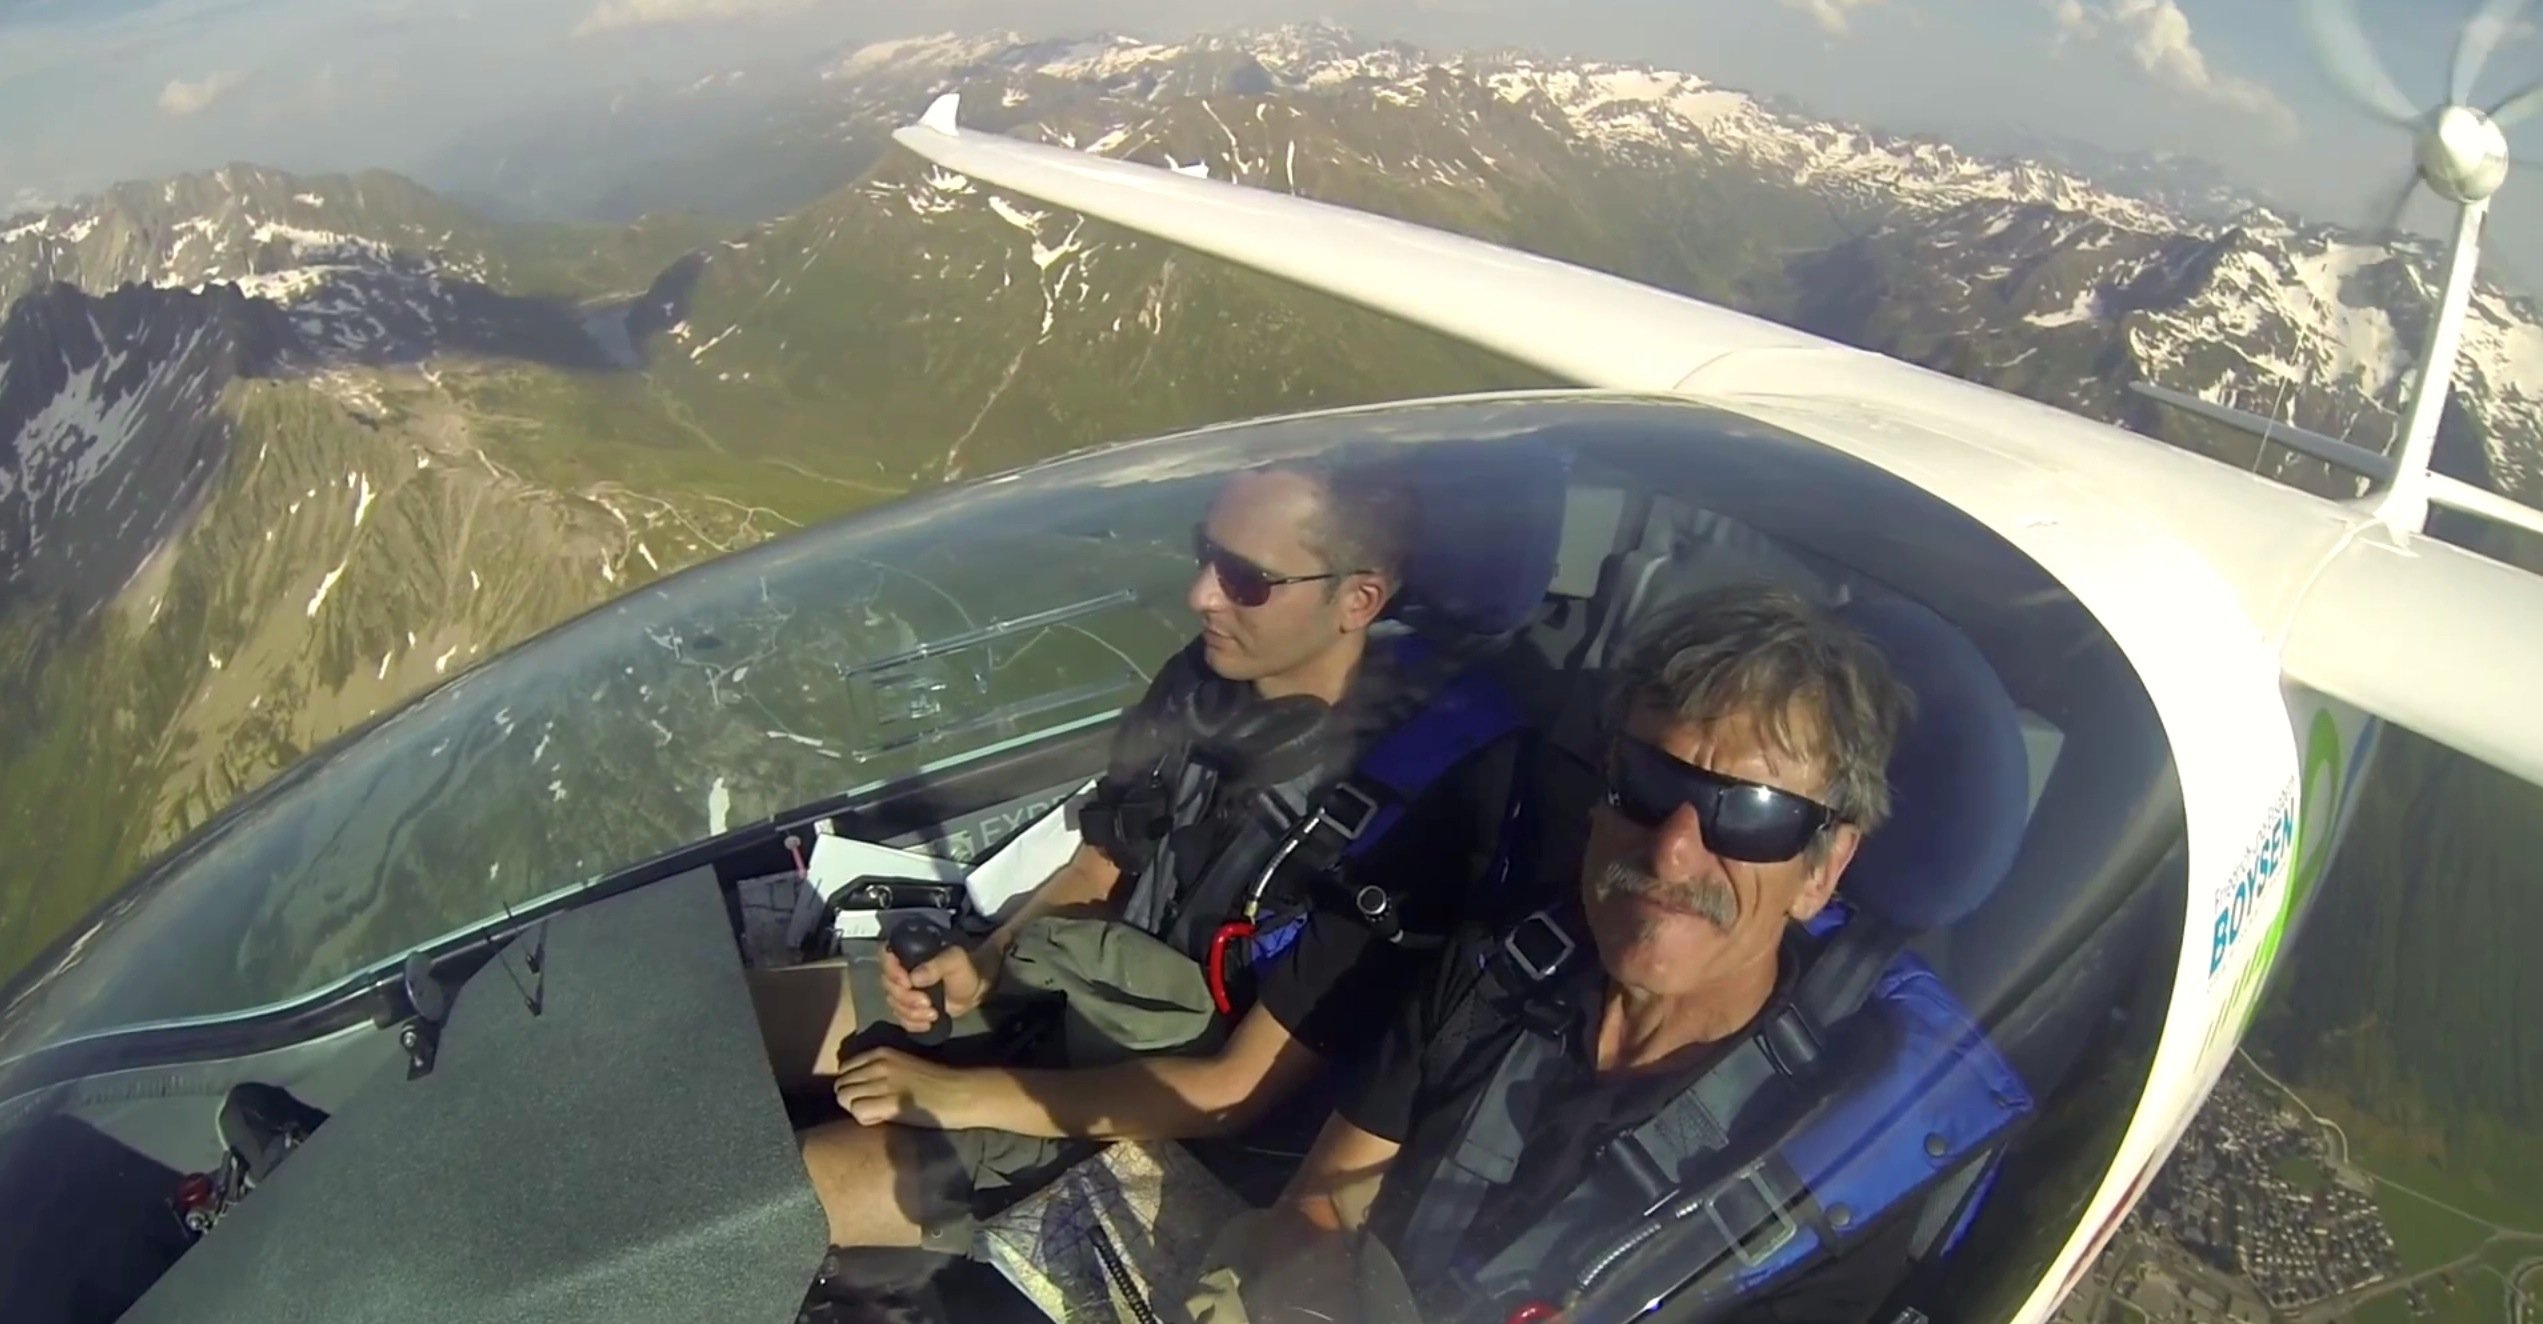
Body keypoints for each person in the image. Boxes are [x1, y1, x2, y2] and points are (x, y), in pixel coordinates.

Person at [763, 455, 1535, 1257]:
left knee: (766, 1211)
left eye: (1246, 579)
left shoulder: (1422, 809)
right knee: (743, 1025)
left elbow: (1233, 1094)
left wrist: (962, 1095)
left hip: (1163, 1107)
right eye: (1205, 553)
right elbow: (1102, 863)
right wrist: (986, 965)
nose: (1200, 594)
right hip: (1075, 988)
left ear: (1358, 599)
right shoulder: (1203, 684)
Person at [1198, 583, 2031, 1324]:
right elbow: (1320, 1205)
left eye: (1750, 813)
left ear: (1822, 869)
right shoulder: (1498, 971)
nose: (1671, 852)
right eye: (1649, 782)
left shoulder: (1835, 1161)